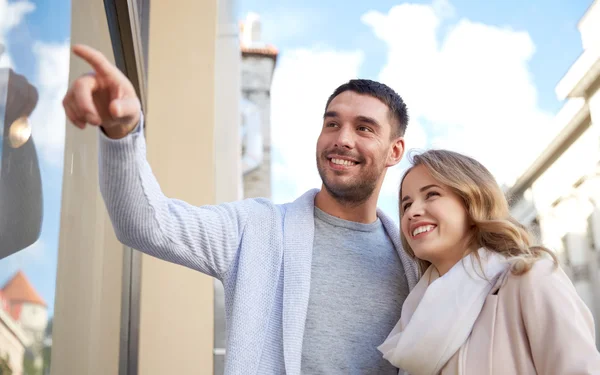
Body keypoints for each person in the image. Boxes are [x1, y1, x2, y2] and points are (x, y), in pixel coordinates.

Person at [62, 44, 419, 375]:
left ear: (394, 151)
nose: (342, 138)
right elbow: (145, 223)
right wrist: (123, 133)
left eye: (364, 128)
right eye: (332, 123)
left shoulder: (415, 259)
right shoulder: (256, 229)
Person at [378, 149, 600, 374]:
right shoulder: (413, 317)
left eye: (432, 194)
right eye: (406, 205)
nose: (412, 212)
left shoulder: (530, 279)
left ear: (472, 200)